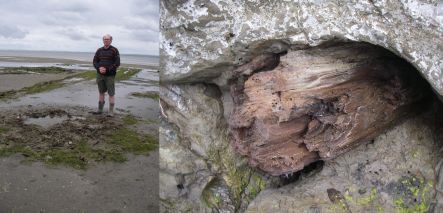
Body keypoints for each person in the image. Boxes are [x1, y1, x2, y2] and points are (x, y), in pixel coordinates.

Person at [92, 34, 120, 116]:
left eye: (107, 39)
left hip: (110, 75)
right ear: (103, 40)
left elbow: (117, 63)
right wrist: (99, 68)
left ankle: (111, 112)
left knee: (111, 93)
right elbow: (94, 62)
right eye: (104, 39)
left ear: (111, 40)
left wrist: (107, 69)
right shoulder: (99, 50)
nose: (106, 40)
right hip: (100, 75)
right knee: (101, 92)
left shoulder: (115, 50)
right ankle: (100, 110)